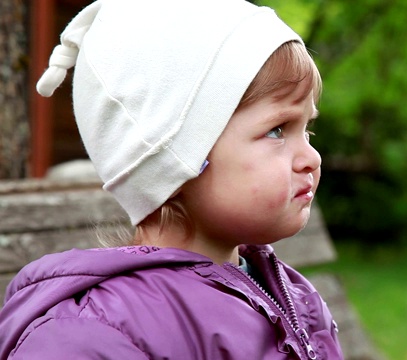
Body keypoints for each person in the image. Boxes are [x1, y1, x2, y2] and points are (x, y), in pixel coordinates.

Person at [0, 0, 343, 359]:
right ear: (176, 159)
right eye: (276, 130)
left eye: (308, 131)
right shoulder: (90, 333)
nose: (311, 158)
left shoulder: (292, 297)